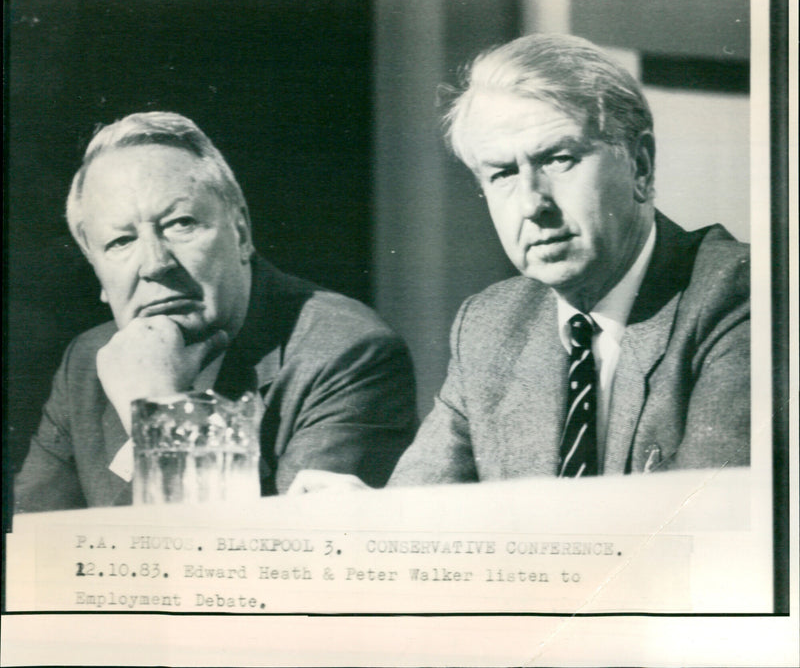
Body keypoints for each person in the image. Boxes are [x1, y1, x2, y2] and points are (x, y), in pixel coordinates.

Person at [291, 32, 750, 492]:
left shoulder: (741, 298)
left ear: (641, 165)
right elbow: (426, 512)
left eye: (559, 159)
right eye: (503, 174)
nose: (532, 204)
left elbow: (701, 532)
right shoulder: (490, 326)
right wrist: (370, 520)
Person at [14, 111, 417, 512]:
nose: (155, 264)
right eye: (120, 242)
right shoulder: (87, 362)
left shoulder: (346, 353)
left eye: (180, 223)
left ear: (241, 233)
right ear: (98, 273)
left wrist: (160, 406)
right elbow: (29, 551)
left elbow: (252, 567)